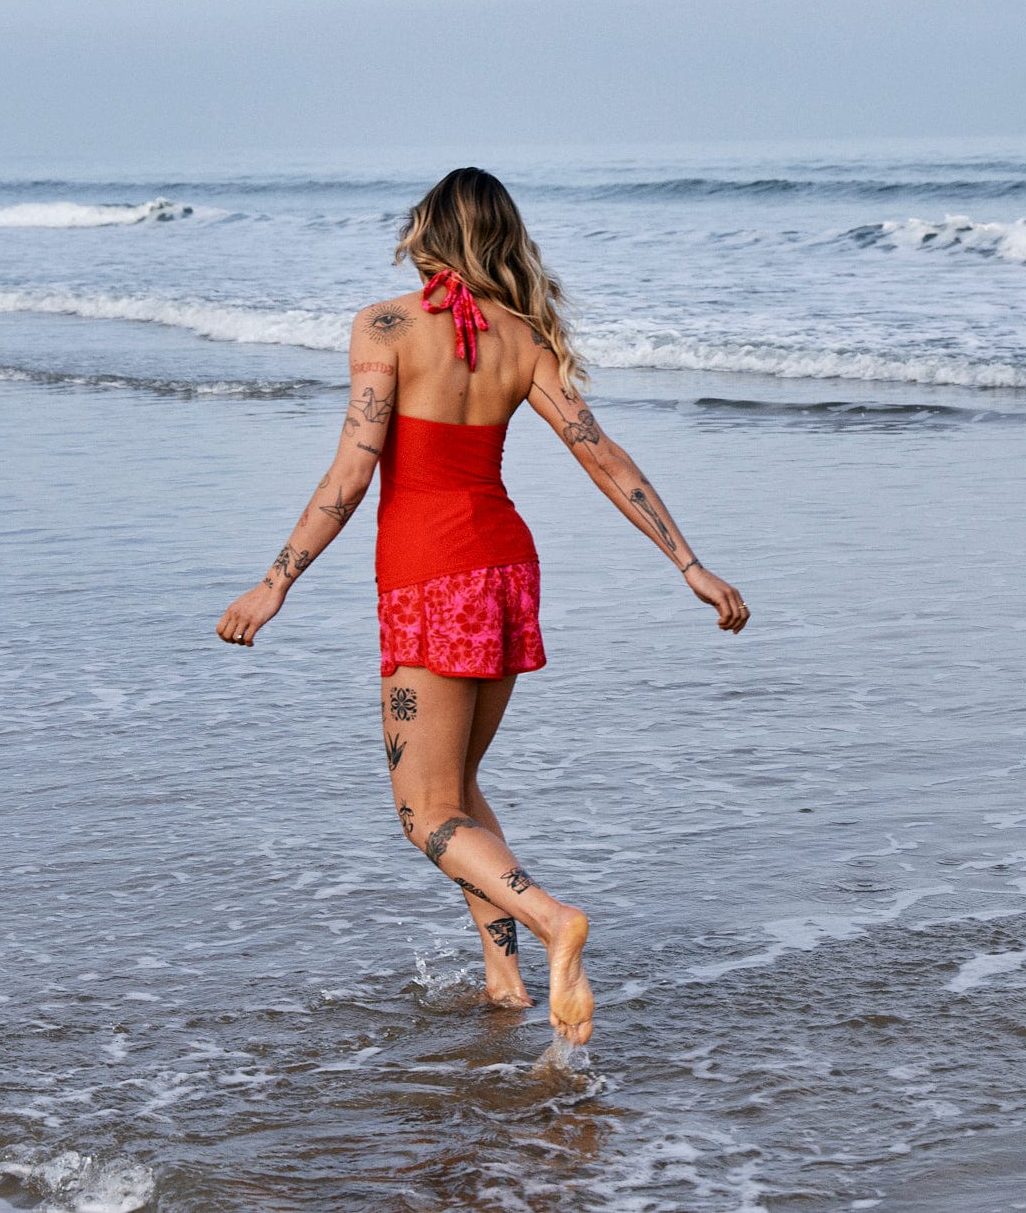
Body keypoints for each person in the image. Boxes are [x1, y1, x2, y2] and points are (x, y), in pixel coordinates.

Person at [216, 168, 749, 1045]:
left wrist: (276, 580)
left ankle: (553, 922)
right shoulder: (522, 339)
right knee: (458, 787)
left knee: (420, 812)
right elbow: (602, 455)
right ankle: (505, 977)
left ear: (428, 230)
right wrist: (687, 562)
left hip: (430, 576)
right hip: (506, 568)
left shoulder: (384, 325)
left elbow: (354, 470)